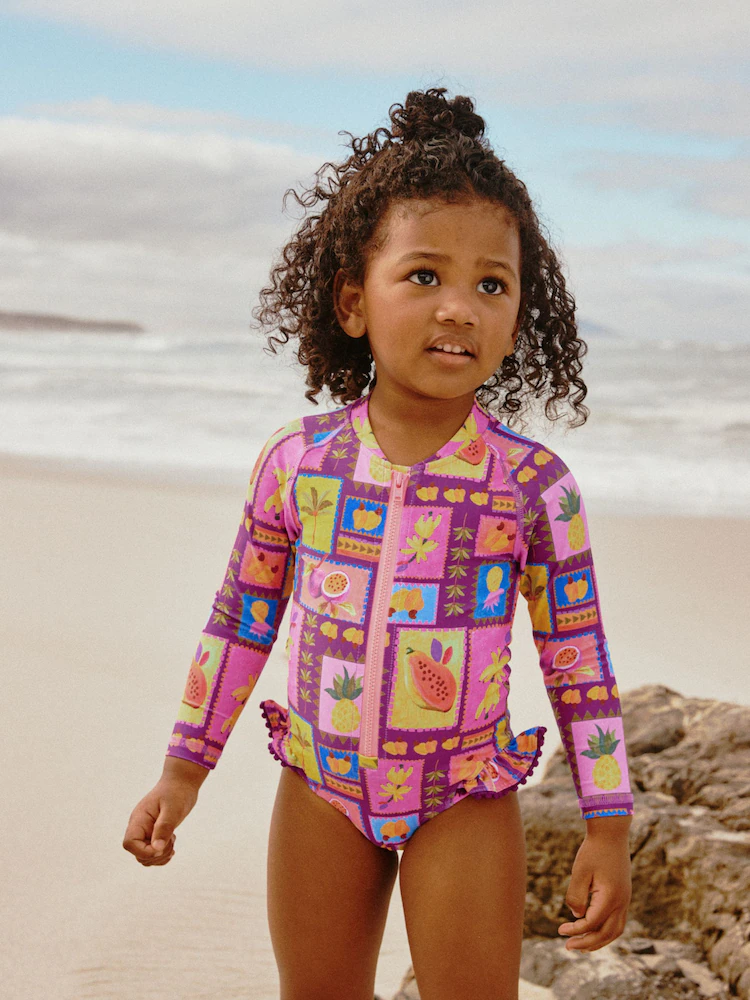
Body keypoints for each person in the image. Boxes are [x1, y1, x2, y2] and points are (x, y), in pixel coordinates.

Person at [123, 87, 634, 1000]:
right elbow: (240, 620)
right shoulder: (299, 463)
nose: (459, 308)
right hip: (321, 789)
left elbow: (577, 654)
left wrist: (608, 824)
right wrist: (182, 770)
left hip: (463, 795)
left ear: (519, 318)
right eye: (424, 276)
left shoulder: (532, 485)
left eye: (492, 284)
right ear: (354, 303)